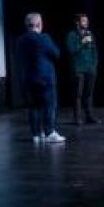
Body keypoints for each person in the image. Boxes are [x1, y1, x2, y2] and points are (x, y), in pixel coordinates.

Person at [15, 12, 64, 144]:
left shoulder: (20, 40)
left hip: (28, 79)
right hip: (45, 78)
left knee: (34, 106)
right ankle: (49, 132)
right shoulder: (44, 38)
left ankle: (36, 134)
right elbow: (56, 54)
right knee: (50, 105)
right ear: (39, 24)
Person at [66, 13, 100, 125]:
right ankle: (78, 118)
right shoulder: (72, 35)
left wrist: (94, 64)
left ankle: (89, 116)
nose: (86, 23)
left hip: (90, 68)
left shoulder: (90, 34)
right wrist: (83, 42)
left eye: (87, 21)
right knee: (77, 94)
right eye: (84, 21)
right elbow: (72, 49)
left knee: (89, 93)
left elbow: (94, 50)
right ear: (78, 22)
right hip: (78, 68)